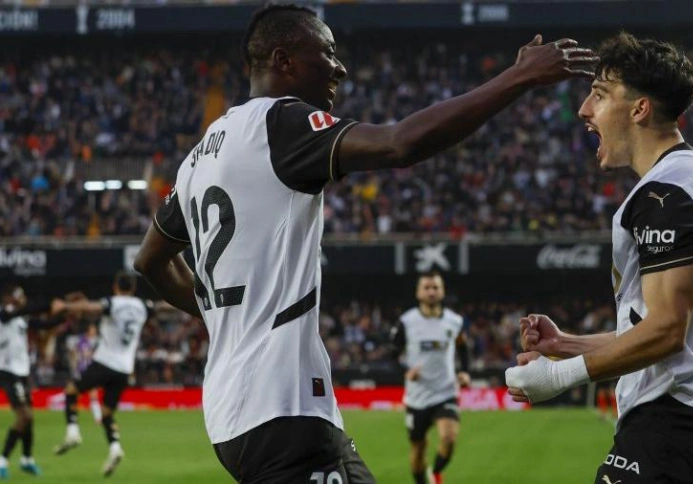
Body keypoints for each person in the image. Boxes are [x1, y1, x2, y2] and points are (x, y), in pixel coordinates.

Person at [133, 3, 596, 483]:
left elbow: (150, 260)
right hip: (281, 407)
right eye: (328, 54)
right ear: (283, 60)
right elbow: (400, 144)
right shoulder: (283, 124)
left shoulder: (200, 155)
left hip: (237, 410)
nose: (340, 67)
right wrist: (516, 78)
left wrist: (220, 317)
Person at [505, 32, 693, 484]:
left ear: (639, 109)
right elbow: (660, 331)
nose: (583, 110)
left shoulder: (667, 191)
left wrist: (559, 379)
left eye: (599, 95)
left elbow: (666, 334)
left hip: (677, 420)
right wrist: (565, 346)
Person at [53, 271, 153, 477]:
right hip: (125, 369)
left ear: (116, 287)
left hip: (105, 362)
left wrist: (66, 306)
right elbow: (162, 307)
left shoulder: (113, 303)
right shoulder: (143, 306)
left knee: (71, 390)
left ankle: (73, 432)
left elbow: (92, 307)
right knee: (107, 413)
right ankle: (115, 448)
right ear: (133, 288)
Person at [390, 272, 469, 484]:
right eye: (426, 287)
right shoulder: (406, 322)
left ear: (442, 291)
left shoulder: (454, 321)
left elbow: (463, 348)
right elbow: (391, 354)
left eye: (435, 287)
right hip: (417, 397)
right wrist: (405, 372)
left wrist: (465, 371)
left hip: (445, 391)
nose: (431, 291)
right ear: (418, 292)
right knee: (418, 447)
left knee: (449, 438)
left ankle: (435, 472)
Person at [0, 286, 63, 478]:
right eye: (18, 295)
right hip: (7, 371)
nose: (22, 299)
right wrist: (49, 303)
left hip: (22, 372)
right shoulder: (4, 313)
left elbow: (44, 324)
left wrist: (66, 311)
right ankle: (2, 461)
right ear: (9, 297)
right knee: (24, 416)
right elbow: (25, 310)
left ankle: (27, 460)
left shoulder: (22, 319)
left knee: (29, 419)